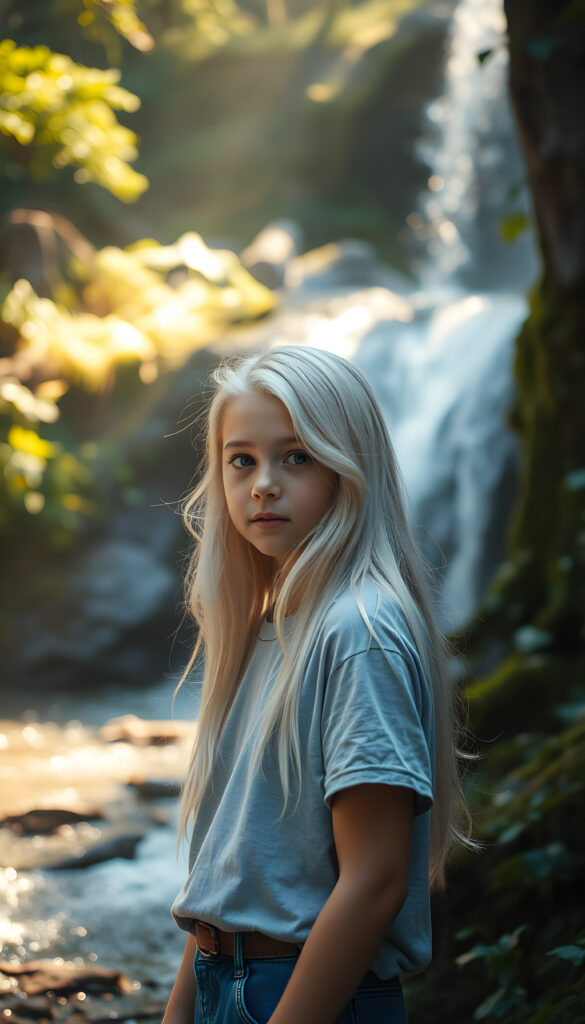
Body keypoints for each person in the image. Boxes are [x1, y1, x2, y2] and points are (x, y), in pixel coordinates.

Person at [163, 345, 472, 1024]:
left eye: (295, 456)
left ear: (348, 468)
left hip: (304, 995)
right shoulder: (267, 624)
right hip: (230, 980)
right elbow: (229, 873)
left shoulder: (356, 630)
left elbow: (376, 879)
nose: (263, 484)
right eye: (241, 459)